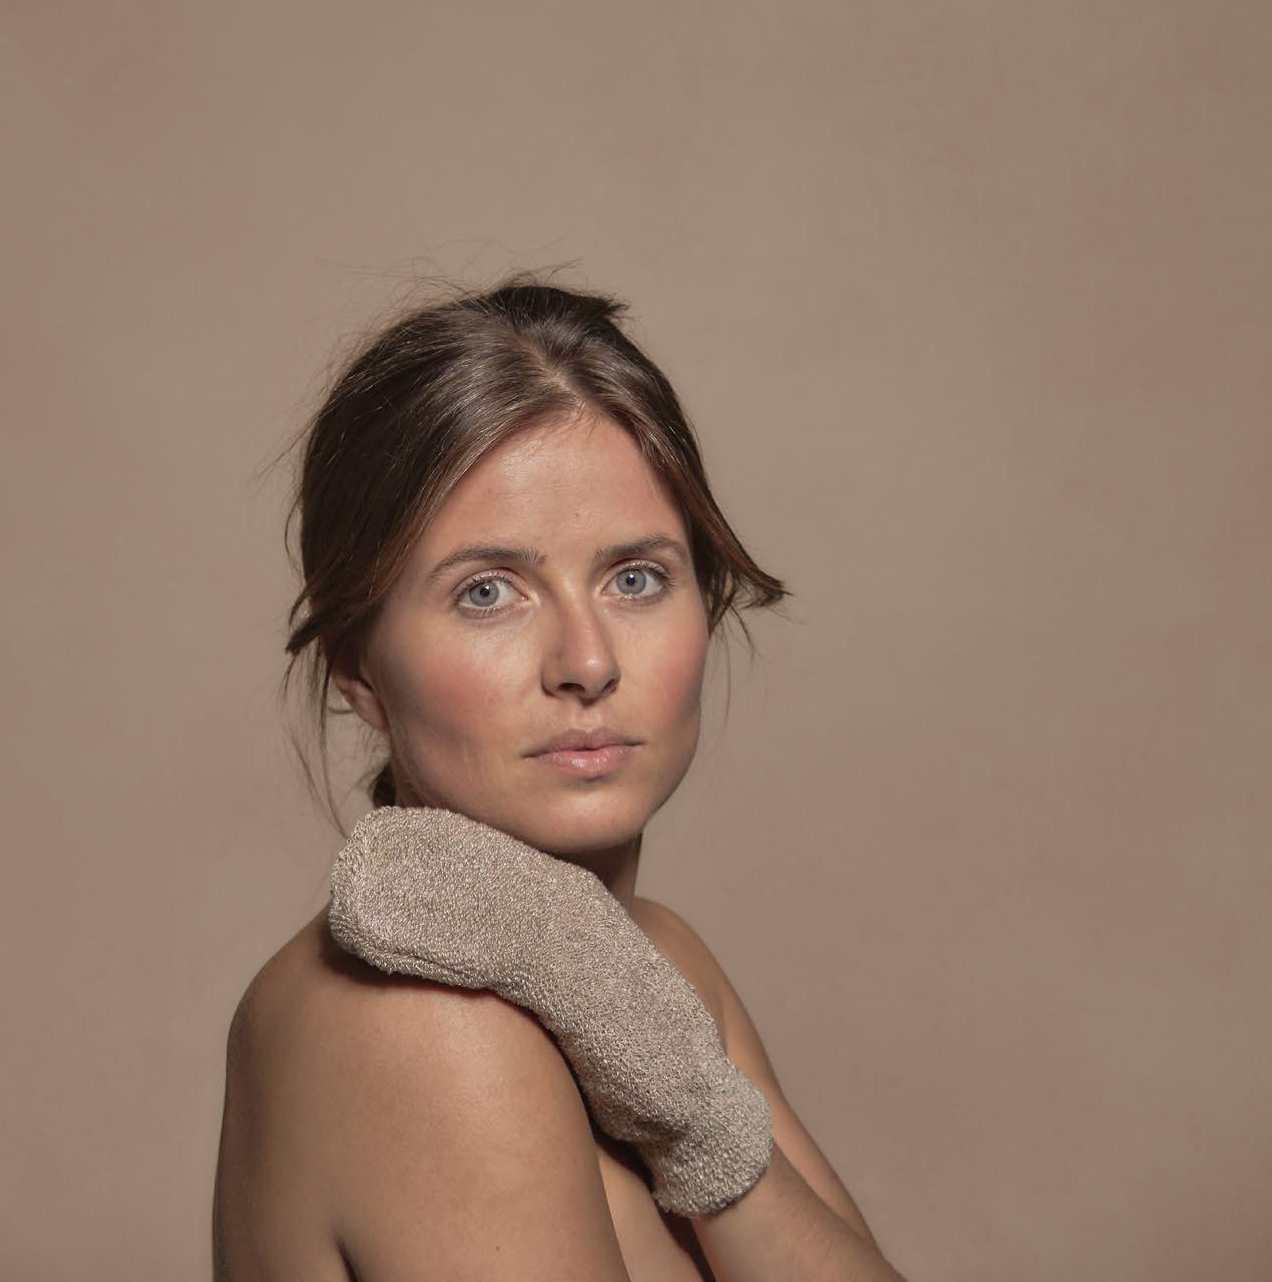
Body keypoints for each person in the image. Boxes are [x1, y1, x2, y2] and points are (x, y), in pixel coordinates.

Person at [212, 275, 909, 1281]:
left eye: (634, 577)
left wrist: (697, 1120)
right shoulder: (426, 1024)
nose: (586, 661)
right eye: (487, 592)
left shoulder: (649, 968)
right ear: (359, 667)